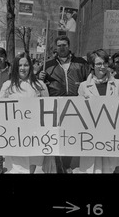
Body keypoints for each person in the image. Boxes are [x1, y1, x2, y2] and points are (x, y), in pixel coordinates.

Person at [39, 35, 90, 173]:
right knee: (56, 136)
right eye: (59, 45)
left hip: (75, 105)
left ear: (69, 46)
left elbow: (90, 79)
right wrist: (40, 77)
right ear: (56, 47)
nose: (62, 48)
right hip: (55, 105)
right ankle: (56, 164)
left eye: (64, 45)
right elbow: (38, 85)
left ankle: (66, 165)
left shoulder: (80, 63)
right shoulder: (48, 65)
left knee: (70, 136)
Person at [0, 52, 50, 173]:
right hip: (14, 135)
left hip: (34, 135)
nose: (22, 68)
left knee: (32, 163)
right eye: (20, 65)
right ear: (15, 67)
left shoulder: (39, 85)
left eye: (26, 65)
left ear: (30, 67)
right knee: (17, 167)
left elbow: (48, 108)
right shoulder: (7, 85)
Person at [78, 49, 119, 173]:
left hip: (110, 135)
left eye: (104, 63)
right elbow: (79, 113)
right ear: (92, 66)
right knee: (92, 168)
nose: (102, 67)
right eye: (98, 64)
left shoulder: (118, 84)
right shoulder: (83, 86)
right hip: (91, 137)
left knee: (108, 168)